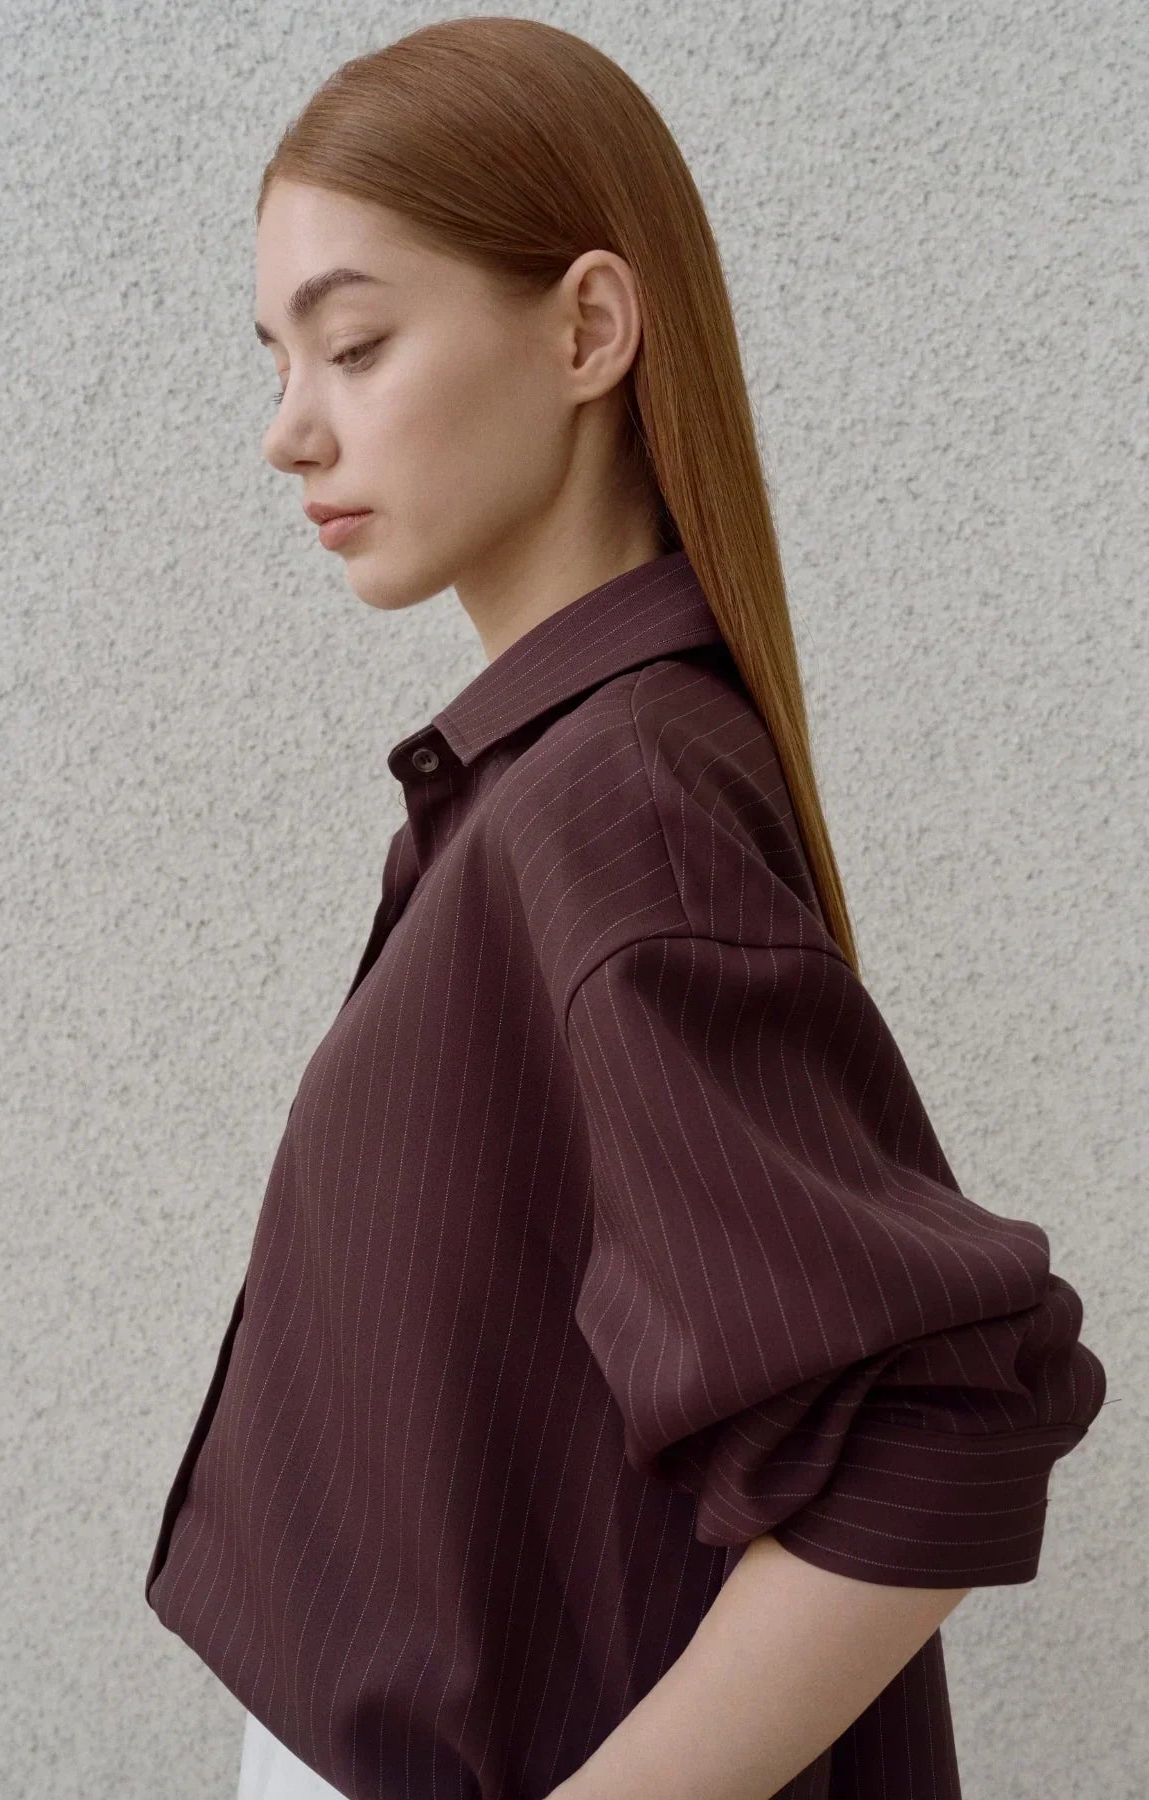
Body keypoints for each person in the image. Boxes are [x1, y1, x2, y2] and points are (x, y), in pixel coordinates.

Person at [143, 18, 1108, 1800]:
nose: (290, 429)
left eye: (354, 343)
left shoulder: (617, 808)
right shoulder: (547, 780)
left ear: (589, 328)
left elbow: (942, 1437)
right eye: (275, 355)